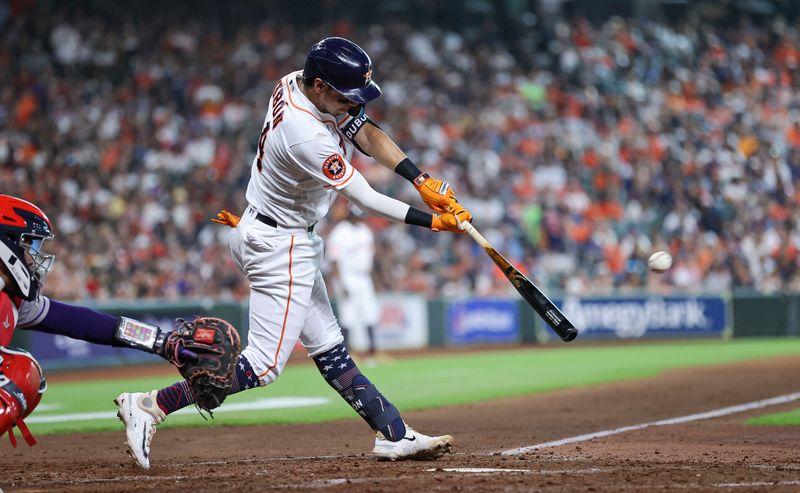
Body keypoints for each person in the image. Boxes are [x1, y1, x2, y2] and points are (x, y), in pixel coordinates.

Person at [115, 36, 473, 468]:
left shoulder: (297, 82)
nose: (351, 105)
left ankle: (394, 433)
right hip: (280, 244)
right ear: (320, 86)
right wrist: (435, 221)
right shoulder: (304, 135)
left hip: (276, 231)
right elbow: (366, 198)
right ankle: (152, 404)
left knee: (329, 347)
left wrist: (420, 179)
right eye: (344, 96)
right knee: (262, 367)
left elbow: (366, 133)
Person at [0, 194, 211, 447]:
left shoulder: (12, 299)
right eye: (31, 246)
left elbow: (84, 323)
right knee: (19, 373)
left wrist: (160, 341)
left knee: (29, 377)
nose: (36, 258)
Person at [326, 202, 383, 365]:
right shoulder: (340, 232)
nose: (360, 219)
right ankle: (348, 353)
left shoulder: (365, 231)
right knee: (348, 314)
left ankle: (373, 351)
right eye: (357, 215)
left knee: (370, 312)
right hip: (347, 276)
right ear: (350, 214)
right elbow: (334, 260)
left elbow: (369, 258)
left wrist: (375, 279)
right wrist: (340, 282)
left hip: (364, 276)